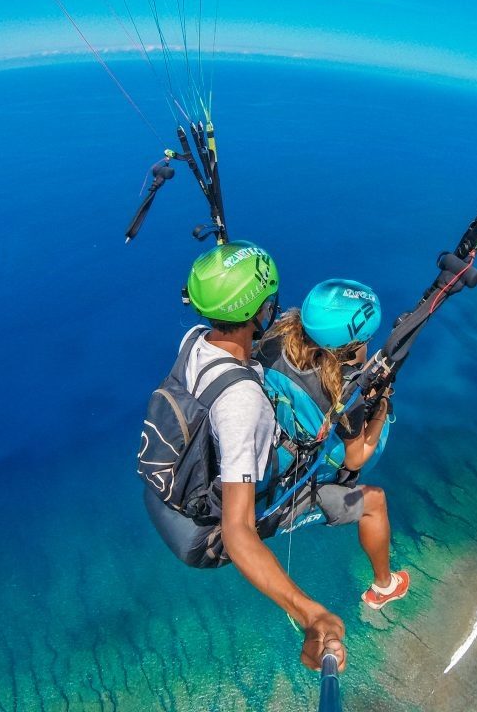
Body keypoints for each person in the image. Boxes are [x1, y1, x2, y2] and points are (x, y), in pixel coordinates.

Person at [141, 241, 346, 671]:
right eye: (268, 303)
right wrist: (310, 612)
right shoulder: (243, 403)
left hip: (162, 495)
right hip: (204, 539)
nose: (273, 308)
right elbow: (237, 531)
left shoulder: (195, 340)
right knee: (343, 484)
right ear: (258, 313)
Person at [256, 279, 409, 610]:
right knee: (375, 502)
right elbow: (356, 459)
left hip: (277, 439)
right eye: (365, 341)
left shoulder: (272, 341)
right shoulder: (341, 393)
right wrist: (381, 407)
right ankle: (384, 587)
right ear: (351, 347)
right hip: (286, 485)